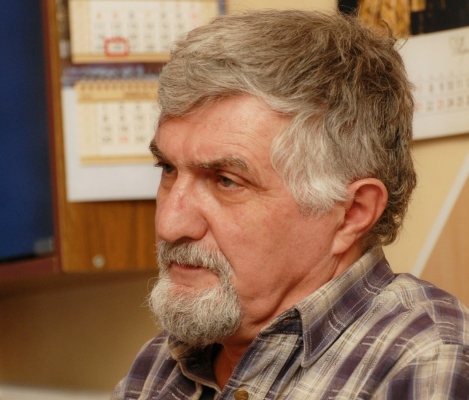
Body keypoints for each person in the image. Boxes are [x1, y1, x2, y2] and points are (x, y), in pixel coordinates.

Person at [111, 9, 469, 400]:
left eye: (226, 180)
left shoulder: (425, 360)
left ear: (352, 214)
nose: (169, 223)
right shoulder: (159, 364)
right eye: (167, 169)